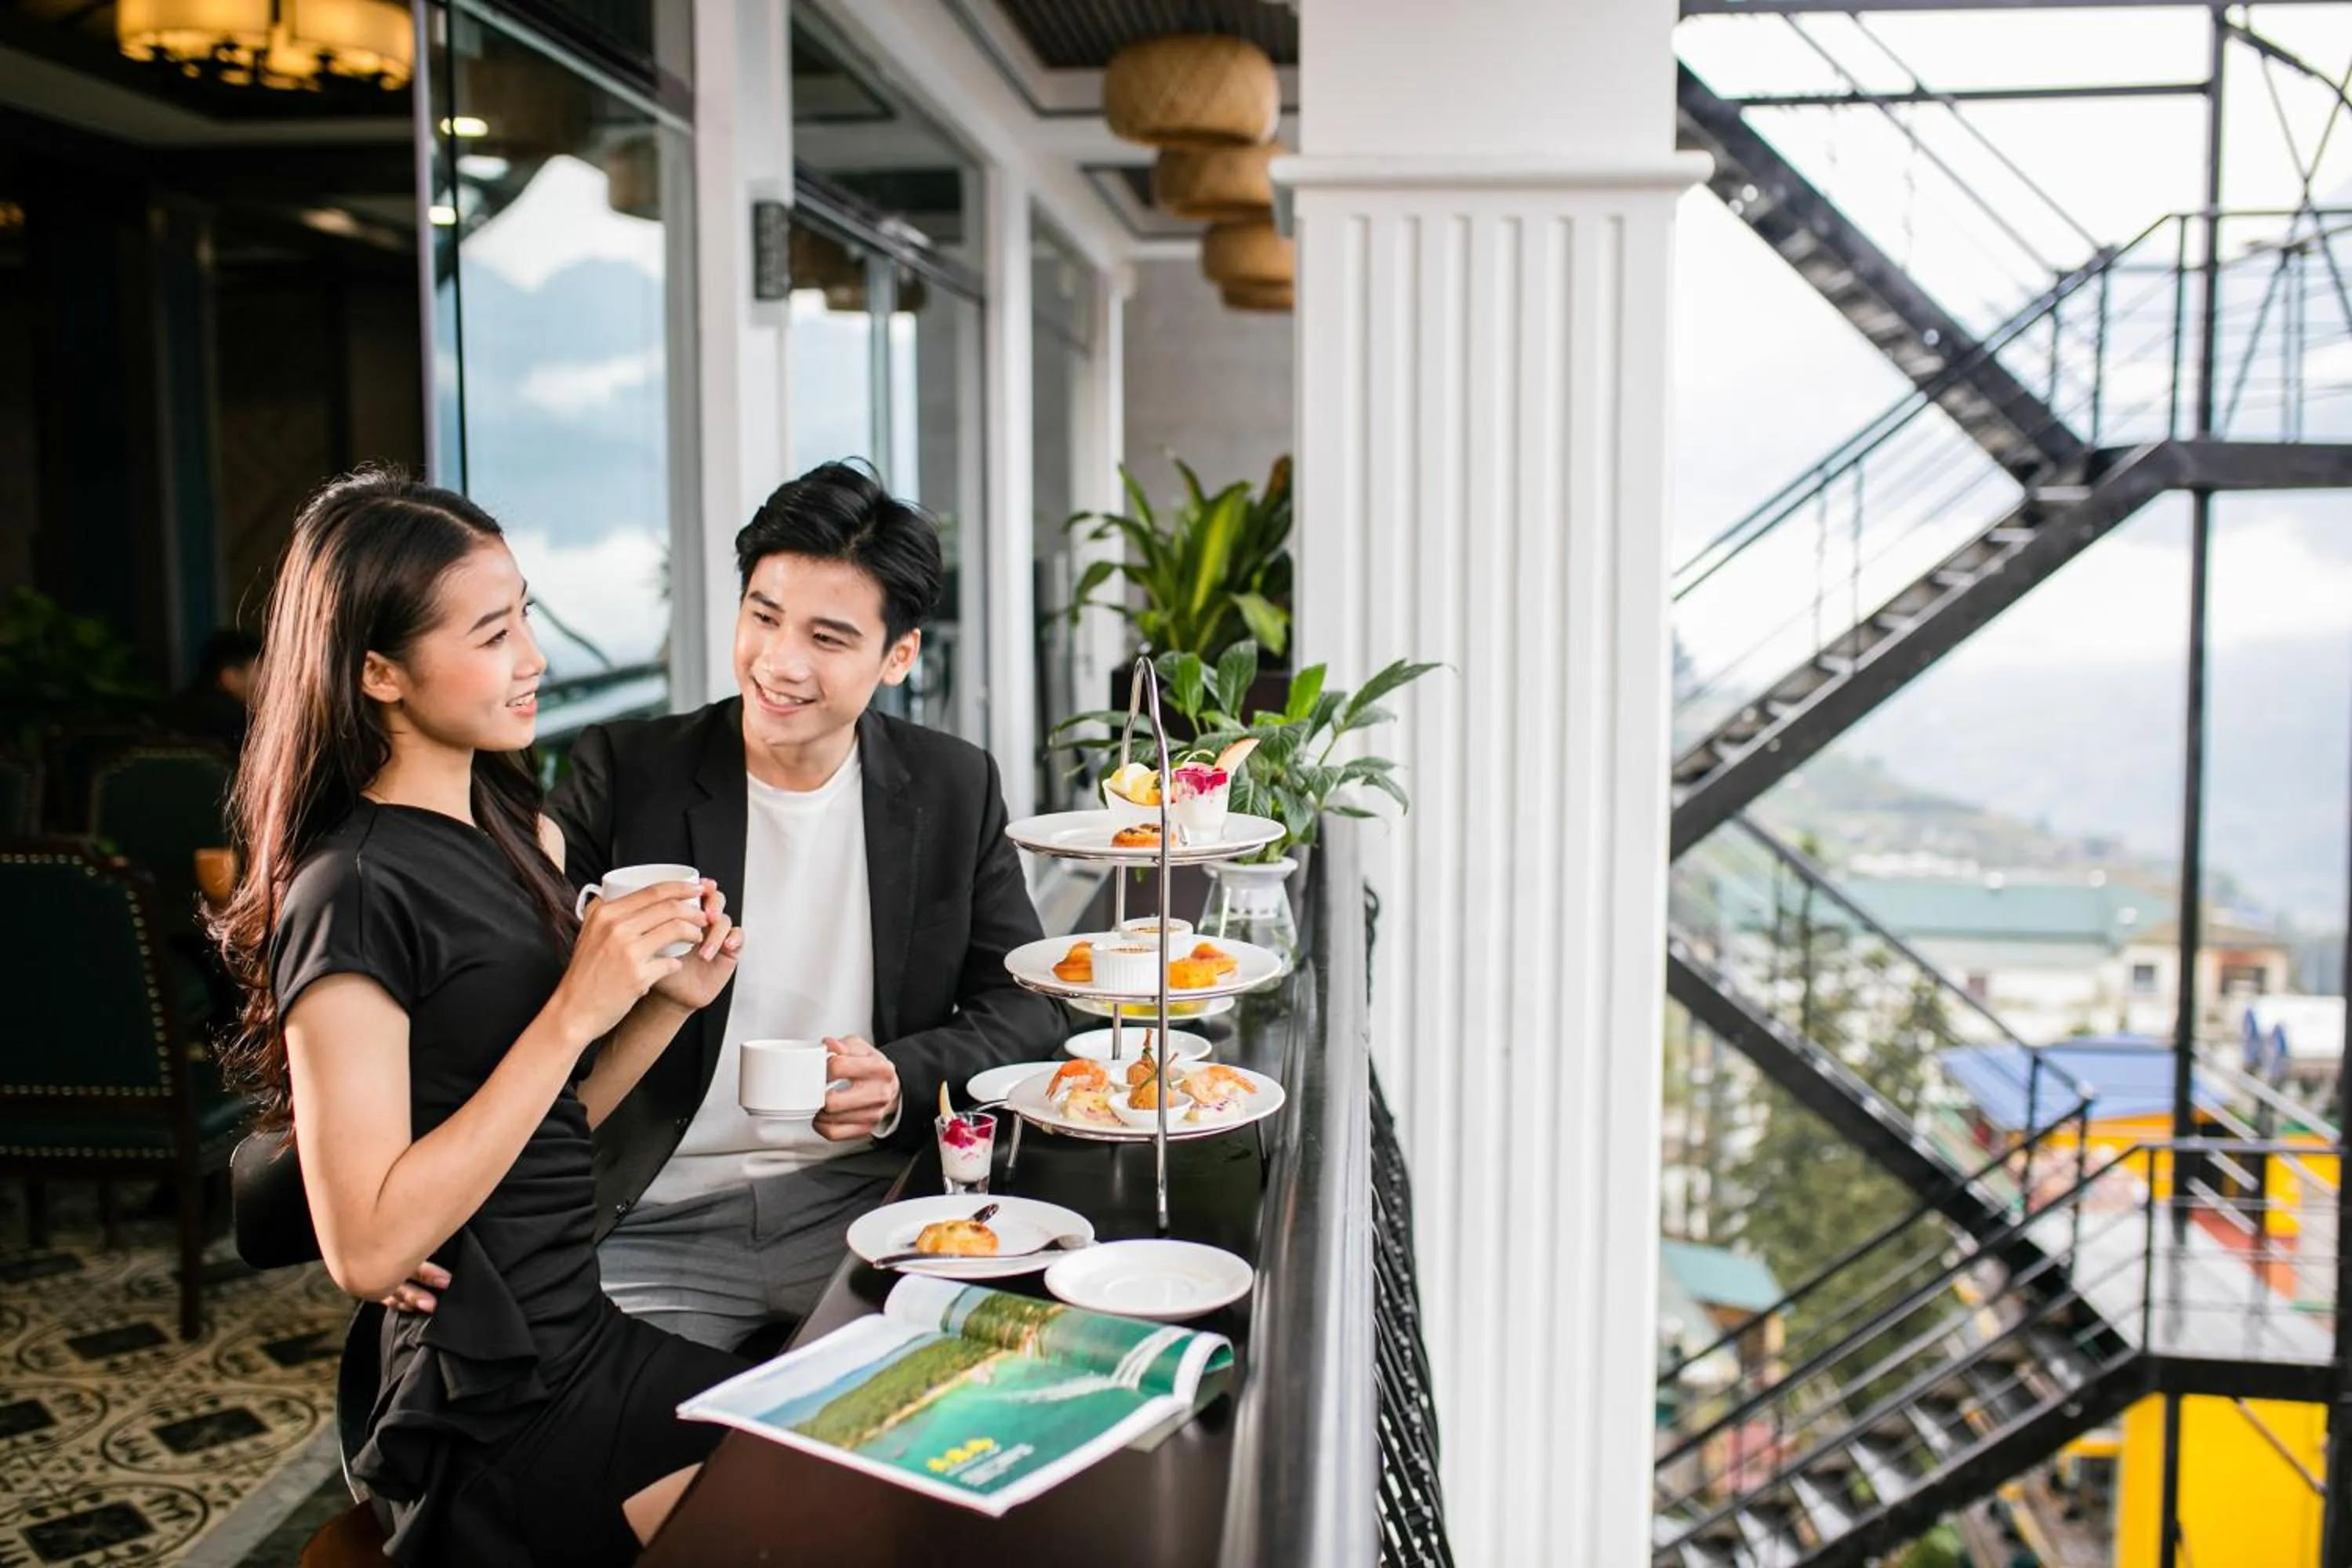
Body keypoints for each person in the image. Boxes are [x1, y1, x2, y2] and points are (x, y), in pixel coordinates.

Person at [212, 469, 752, 1564]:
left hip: (583, 1337)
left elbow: (547, 1134)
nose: (534, 661)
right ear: (378, 671)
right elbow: (366, 1247)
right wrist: (573, 1011)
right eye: (494, 634)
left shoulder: (520, 835)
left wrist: (657, 1011)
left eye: (528, 623)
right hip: (494, 1400)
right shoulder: (350, 888)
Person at [539, 460, 1063, 1350]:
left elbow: (1027, 1002)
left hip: (866, 1201)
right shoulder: (624, 772)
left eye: (827, 636)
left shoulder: (952, 784)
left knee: (926, 1429)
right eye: (763, 616)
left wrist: (898, 1075)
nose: (779, 663)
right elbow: (522, 999)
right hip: (655, 1215)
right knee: (648, 1457)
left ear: (898, 656)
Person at [167, 626, 262, 750]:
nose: (274, 679)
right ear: (231, 677)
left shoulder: (176, 711)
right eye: (261, 669)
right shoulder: (238, 726)